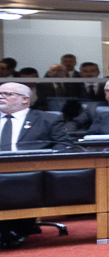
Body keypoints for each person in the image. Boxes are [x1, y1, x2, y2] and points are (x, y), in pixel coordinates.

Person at [0, 81, 67, 247]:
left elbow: (64, 146)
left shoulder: (47, 119)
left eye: (7, 94)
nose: (1, 97)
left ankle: (13, 231)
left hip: (31, 173)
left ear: (25, 99)